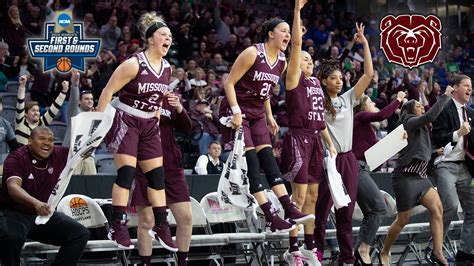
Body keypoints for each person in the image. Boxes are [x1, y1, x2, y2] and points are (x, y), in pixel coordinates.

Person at [219, 0, 314, 234]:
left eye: (288, 33)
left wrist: (270, 115)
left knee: (270, 163)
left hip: (258, 113)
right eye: (283, 31)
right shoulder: (253, 52)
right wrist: (236, 112)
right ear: (271, 34)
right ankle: (270, 216)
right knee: (253, 164)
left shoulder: (281, 61)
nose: (287, 36)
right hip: (236, 110)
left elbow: (265, 93)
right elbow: (229, 83)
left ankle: (288, 208)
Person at [96, 11, 176, 251]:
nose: (168, 39)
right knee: (127, 173)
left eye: (170, 36)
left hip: (150, 124)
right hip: (126, 119)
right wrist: (98, 123)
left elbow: (158, 95)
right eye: (164, 34)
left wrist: (159, 110)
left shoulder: (167, 67)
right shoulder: (133, 64)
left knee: (157, 178)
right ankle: (117, 225)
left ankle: (161, 225)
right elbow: (108, 91)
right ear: (151, 39)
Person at [280, 1, 337, 264]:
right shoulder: (293, 78)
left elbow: (321, 120)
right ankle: (292, 250)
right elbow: (297, 47)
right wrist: (297, 12)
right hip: (297, 138)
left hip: (315, 140)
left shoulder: (315, 82)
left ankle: (309, 247)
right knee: (299, 197)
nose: (309, 60)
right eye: (305, 58)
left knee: (313, 196)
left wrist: (329, 143)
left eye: (311, 59)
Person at [313, 22, 373, 265]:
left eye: (341, 78)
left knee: (346, 213)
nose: (339, 81)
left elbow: (368, 74)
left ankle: (347, 259)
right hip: (327, 159)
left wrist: (365, 44)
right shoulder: (317, 99)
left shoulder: (349, 98)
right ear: (324, 81)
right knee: (321, 211)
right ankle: (315, 254)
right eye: (334, 78)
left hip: (347, 159)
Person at [379, 86, 454, 266]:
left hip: (421, 178)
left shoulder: (420, 129)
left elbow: (420, 150)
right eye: (418, 105)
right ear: (410, 110)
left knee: (438, 209)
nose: (422, 107)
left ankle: (437, 251)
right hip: (405, 178)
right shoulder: (410, 121)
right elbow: (429, 116)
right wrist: (444, 96)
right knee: (403, 219)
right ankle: (385, 251)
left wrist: (435, 152)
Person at [0, 126, 90, 265]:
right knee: (12, 239)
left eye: (51, 140)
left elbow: (85, 148)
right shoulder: (16, 158)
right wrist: (36, 203)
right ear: (30, 141)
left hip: (42, 214)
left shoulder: (59, 154)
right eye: (41, 138)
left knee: (79, 234)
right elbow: (13, 188)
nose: (47, 143)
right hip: (14, 212)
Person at [131, 94, 193, 266]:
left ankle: (182, 263)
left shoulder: (168, 99)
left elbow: (187, 127)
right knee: (147, 221)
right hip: (145, 167)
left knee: (186, 218)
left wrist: (179, 108)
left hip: (172, 166)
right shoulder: (136, 96)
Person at [352, 91, 406, 265]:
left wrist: (399, 139)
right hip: (356, 168)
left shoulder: (366, 128)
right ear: (363, 106)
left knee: (371, 212)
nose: (374, 105)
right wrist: (397, 100)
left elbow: (380, 150)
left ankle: (358, 252)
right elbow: (381, 115)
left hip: (363, 169)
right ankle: (363, 248)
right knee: (380, 207)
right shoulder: (359, 116)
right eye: (371, 103)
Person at [431, 74, 474, 264]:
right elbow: (438, 138)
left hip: (465, 167)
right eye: (466, 85)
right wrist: (458, 134)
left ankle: (465, 251)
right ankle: (436, 249)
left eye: (471, 86)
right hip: (446, 165)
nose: (470, 89)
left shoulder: (471, 112)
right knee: (450, 205)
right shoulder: (444, 109)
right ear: (455, 88)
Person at [15, 75, 69, 145]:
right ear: (25, 113)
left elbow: (54, 109)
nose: (36, 113)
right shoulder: (20, 121)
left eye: (37, 111)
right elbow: (20, 103)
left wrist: (64, 92)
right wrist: (22, 87)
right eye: (33, 110)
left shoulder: (41, 123)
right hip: (20, 155)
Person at [63, 70, 96, 175]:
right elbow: (73, 99)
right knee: (73, 186)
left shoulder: (96, 117)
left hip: (89, 157)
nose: (90, 101)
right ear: (80, 102)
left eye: (91, 99)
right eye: (86, 99)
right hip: (73, 156)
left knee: (92, 190)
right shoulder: (74, 113)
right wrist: (75, 85)